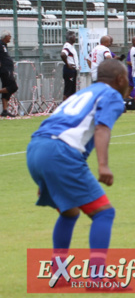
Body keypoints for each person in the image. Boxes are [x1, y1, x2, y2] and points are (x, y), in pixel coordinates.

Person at [26, 58, 128, 281]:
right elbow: (102, 128)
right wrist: (103, 165)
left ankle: (58, 273)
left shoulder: (83, 93)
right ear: (120, 79)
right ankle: (97, 277)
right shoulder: (112, 96)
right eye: (127, 78)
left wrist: (47, 176)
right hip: (60, 153)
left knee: (69, 211)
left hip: (36, 148)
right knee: (104, 212)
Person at [0, 31, 18, 117]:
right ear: (5, 37)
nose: (10, 37)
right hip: (5, 69)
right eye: (9, 36)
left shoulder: (4, 45)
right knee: (13, 87)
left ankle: (4, 110)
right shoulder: (0, 44)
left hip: (7, 69)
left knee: (6, 88)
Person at [60, 31, 80, 101]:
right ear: (71, 37)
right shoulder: (67, 46)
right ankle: (64, 108)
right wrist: (68, 65)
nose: (75, 38)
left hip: (72, 70)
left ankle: (70, 106)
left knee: (72, 91)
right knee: (68, 91)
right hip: (69, 70)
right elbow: (63, 54)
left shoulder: (71, 46)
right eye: (74, 36)